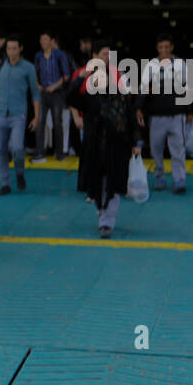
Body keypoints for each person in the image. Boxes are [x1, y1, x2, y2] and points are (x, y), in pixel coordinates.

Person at [68, 39, 143, 238]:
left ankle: (107, 221)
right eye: (104, 54)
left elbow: (129, 116)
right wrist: (79, 79)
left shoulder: (120, 90)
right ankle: (103, 215)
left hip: (117, 145)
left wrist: (136, 142)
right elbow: (70, 97)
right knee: (97, 184)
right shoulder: (88, 92)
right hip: (94, 144)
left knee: (114, 184)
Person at [137, 32, 192, 193]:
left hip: (177, 116)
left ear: (172, 47)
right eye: (161, 47)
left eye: (167, 47)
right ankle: (159, 177)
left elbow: (187, 88)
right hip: (156, 117)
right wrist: (138, 108)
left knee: (178, 150)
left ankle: (179, 180)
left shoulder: (181, 64)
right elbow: (143, 88)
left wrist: (189, 111)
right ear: (157, 48)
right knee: (156, 149)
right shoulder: (151, 66)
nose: (164, 50)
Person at [0, 35, 42, 195]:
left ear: (20, 48)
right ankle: (5, 183)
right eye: (8, 48)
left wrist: (36, 116)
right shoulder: (0, 65)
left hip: (18, 114)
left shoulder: (28, 68)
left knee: (17, 148)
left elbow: (35, 94)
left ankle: (19, 172)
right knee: (0, 150)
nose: (11, 52)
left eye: (14, 48)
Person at [33, 31, 73, 162]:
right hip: (43, 92)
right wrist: (37, 84)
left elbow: (66, 75)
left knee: (57, 121)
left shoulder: (59, 55)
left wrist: (55, 86)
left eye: (45, 39)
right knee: (40, 121)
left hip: (56, 93)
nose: (43, 42)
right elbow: (35, 73)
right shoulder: (38, 56)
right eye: (41, 40)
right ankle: (39, 152)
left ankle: (60, 152)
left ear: (51, 41)